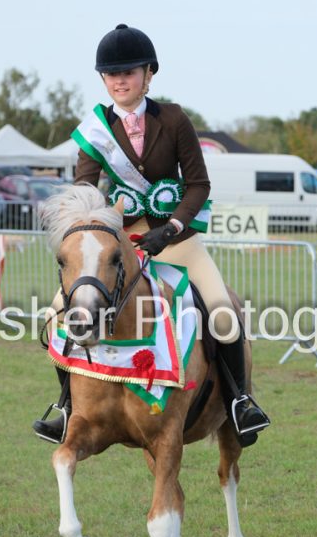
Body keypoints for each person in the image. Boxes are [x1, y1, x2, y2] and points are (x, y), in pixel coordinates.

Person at [33, 23, 270, 446]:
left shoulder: (174, 119)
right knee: (56, 317)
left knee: (222, 313)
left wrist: (173, 226)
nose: (119, 81)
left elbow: (198, 184)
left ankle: (239, 402)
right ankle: (66, 406)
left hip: (176, 240)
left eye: (128, 72)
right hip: (121, 247)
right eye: (111, 74)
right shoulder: (95, 130)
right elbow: (85, 192)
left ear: (148, 74)